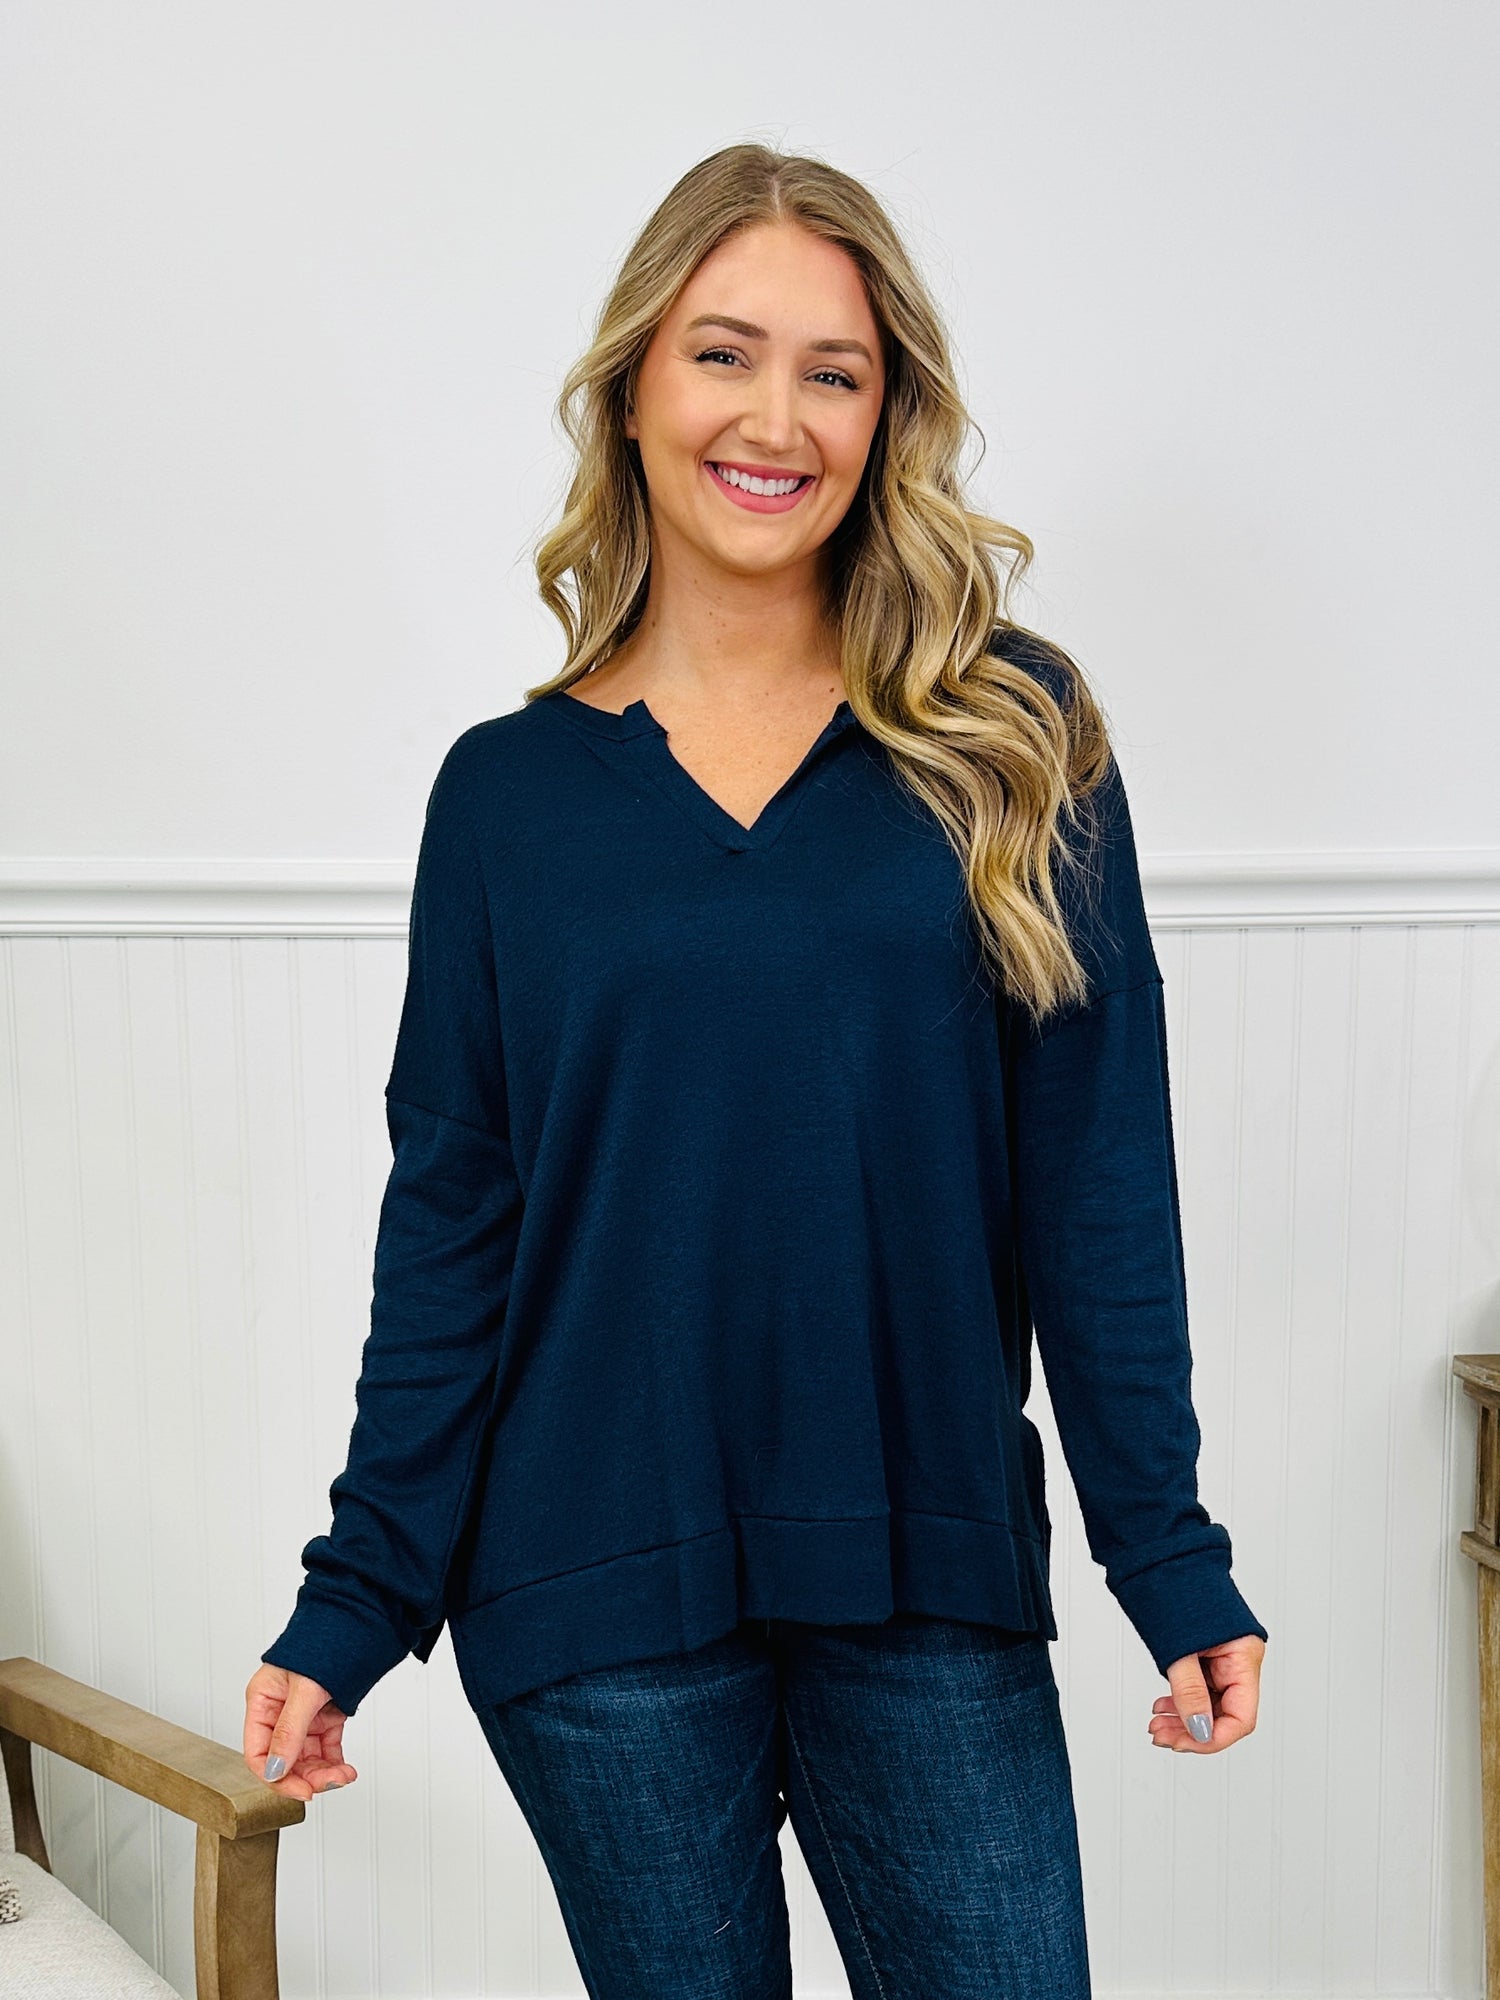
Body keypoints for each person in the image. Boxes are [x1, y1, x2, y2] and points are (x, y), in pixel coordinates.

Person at [243, 142, 1268, 1996]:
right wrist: (355, 1600)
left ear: (888, 417)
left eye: (835, 372)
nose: (775, 419)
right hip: (590, 1596)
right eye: (723, 354)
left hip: (927, 1566)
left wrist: (1167, 1553)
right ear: (635, 386)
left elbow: (1100, 1186)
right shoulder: (505, 798)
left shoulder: (1012, 737)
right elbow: (455, 1226)